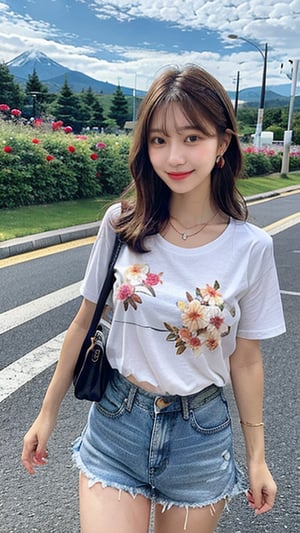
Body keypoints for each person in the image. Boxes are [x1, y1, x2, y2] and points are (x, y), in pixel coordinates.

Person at [22, 65, 286, 533]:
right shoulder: (121, 223)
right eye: (159, 140)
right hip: (116, 422)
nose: (174, 156)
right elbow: (84, 321)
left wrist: (258, 458)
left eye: (191, 137)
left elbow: (246, 360)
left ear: (222, 143)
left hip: (199, 438)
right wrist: (47, 413)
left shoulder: (251, 248)